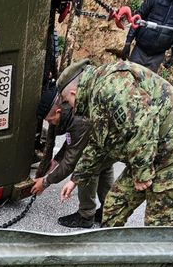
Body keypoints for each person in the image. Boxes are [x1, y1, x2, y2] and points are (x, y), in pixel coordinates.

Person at [52, 59, 173, 267]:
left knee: (160, 221)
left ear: (73, 91)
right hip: (151, 148)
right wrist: (76, 178)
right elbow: (100, 143)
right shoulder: (98, 95)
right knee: (115, 203)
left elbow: (143, 123)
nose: (70, 107)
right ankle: (109, 262)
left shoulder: (109, 85)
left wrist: (143, 173)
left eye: (67, 101)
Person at [32, 85, 113, 229]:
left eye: (51, 120)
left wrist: (45, 182)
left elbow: (71, 161)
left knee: (86, 170)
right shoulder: (70, 112)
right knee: (104, 167)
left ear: (58, 111)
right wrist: (55, 161)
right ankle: (108, 211)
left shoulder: (78, 121)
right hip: (107, 147)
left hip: (110, 145)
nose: (51, 124)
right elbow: (71, 143)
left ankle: (86, 216)